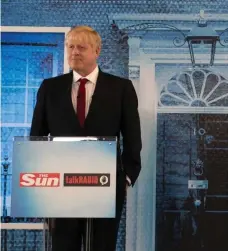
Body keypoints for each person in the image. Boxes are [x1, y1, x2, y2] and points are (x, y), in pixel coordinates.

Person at [30, 25, 142, 251]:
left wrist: (126, 178)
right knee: (63, 246)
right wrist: (39, 183)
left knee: (101, 246)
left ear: (97, 51)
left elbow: (132, 137)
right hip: (60, 189)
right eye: (70, 46)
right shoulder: (50, 88)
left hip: (106, 187)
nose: (74, 52)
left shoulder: (121, 88)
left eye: (81, 47)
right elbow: (38, 137)